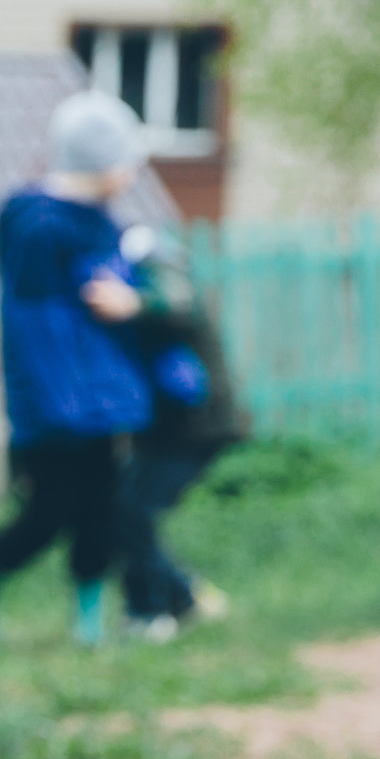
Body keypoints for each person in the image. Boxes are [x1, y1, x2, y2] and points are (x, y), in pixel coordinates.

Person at [0, 91, 157, 648]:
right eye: (129, 161)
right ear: (103, 163)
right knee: (49, 513)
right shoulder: (38, 225)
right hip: (53, 409)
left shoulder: (101, 224)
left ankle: (89, 624)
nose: (134, 173)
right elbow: (35, 327)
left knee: (101, 512)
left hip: (99, 403)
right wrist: (63, 402)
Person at [113, 226, 246, 639]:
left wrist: (133, 302)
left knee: (134, 512)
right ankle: (180, 599)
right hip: (166, 429)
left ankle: (156, 611)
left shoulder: (167, 278)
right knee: (125, 512)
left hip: (198, 429)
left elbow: (175, 303)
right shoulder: (141, 281)